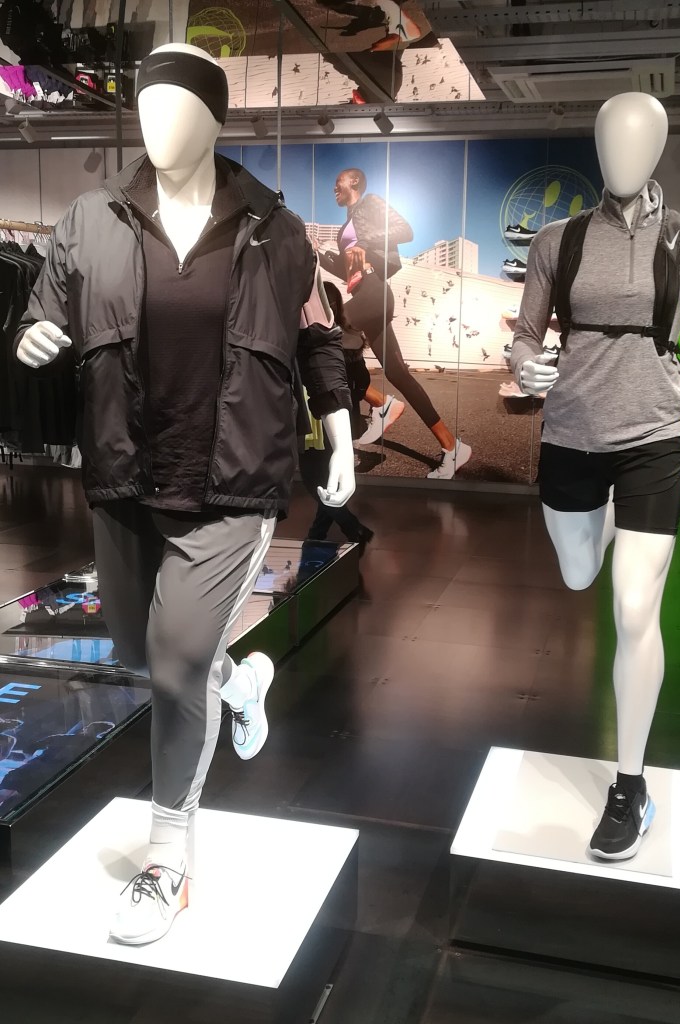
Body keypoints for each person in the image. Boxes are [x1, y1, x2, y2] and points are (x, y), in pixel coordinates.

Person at [14, 43, 355, 944]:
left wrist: (340, 434)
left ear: (214, 118)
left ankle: (169, 858)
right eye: (144, 106)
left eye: (177, 106)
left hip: (235, 482)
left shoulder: (276, 230)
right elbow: (43, 307)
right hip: (126, 476)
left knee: (172, 668)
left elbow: (319, 339)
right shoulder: (90, 218)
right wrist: (33, 335)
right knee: (144, 652)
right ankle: (240, 685)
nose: (156, 124)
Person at [511, 92, 680, 862]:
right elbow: (524, 333)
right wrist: (523, 364)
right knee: (578, 575)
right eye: (609, 139)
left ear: (659, 148)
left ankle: (628, 786)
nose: (622, 154)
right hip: (572, 430)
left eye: (637, 140)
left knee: (635, 607)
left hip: (653, 435)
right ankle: (607, 517)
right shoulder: (557, 240)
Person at [317, 167, 472, 479]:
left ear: (354, 181)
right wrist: (317, 255)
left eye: (338, 182)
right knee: (398, 373)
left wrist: (364, 241)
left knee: (323, 341)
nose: (334, 187)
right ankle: (452, 446)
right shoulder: (346, 224)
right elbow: (347, 270)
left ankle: (380, 404)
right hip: (365, 293)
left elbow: (404, 230)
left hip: (375, 292)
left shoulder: (370, 203)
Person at [300, 281, 374, 551]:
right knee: (328, 478)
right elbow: (363, 380)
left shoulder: (313, 337)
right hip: (340, 414)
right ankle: (325, 531)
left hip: (316, 414)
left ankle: (347, 528)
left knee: (316, 478)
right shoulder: (351, 337)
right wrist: (350, 398)